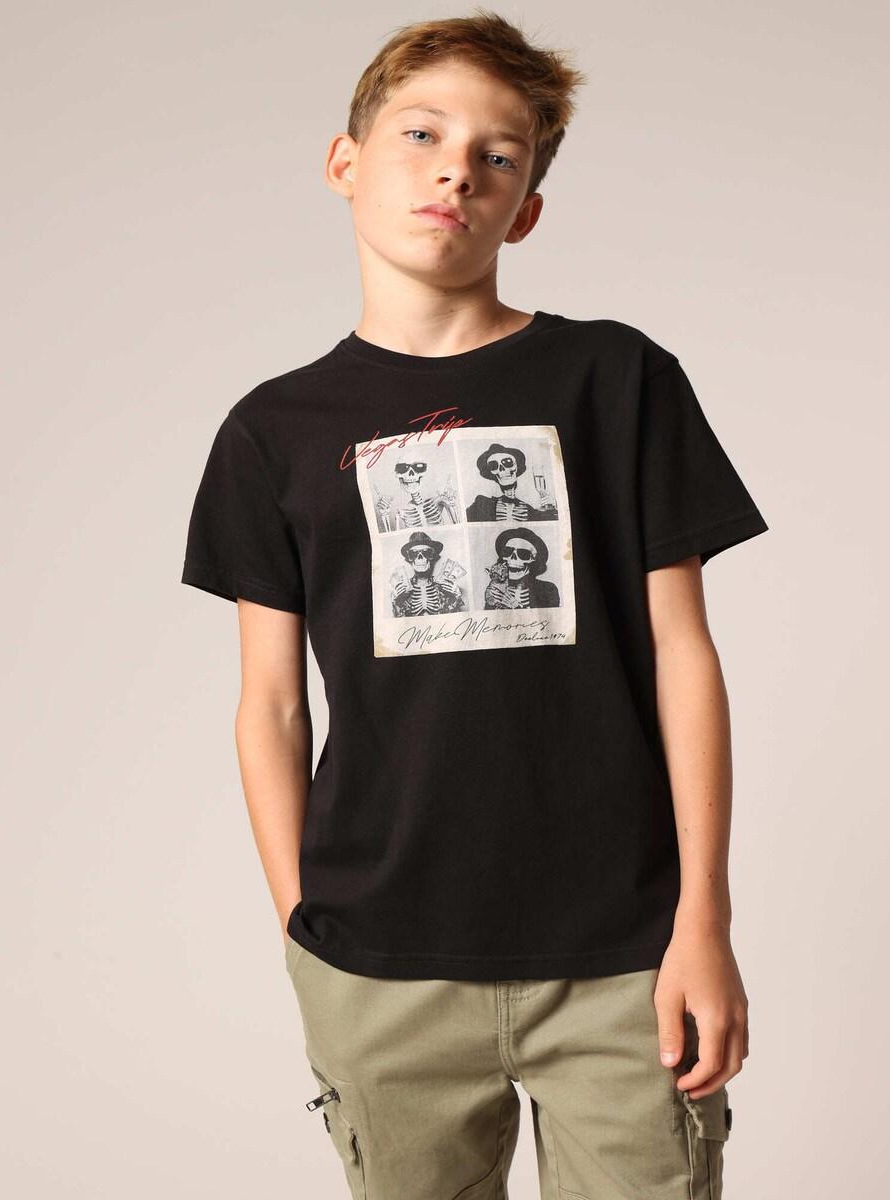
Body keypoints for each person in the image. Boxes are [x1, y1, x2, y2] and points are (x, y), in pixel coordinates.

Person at [180, 10, 769, 1198]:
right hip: (380, 966)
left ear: (526, 209)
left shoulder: (617, 380)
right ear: (344, 162)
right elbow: (271, 707)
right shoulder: (271, 431)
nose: (457, 169)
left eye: (499, 155)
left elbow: (683, 655)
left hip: (623, 956)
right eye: (422, 134)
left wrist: (702, 919)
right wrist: (306, 932)